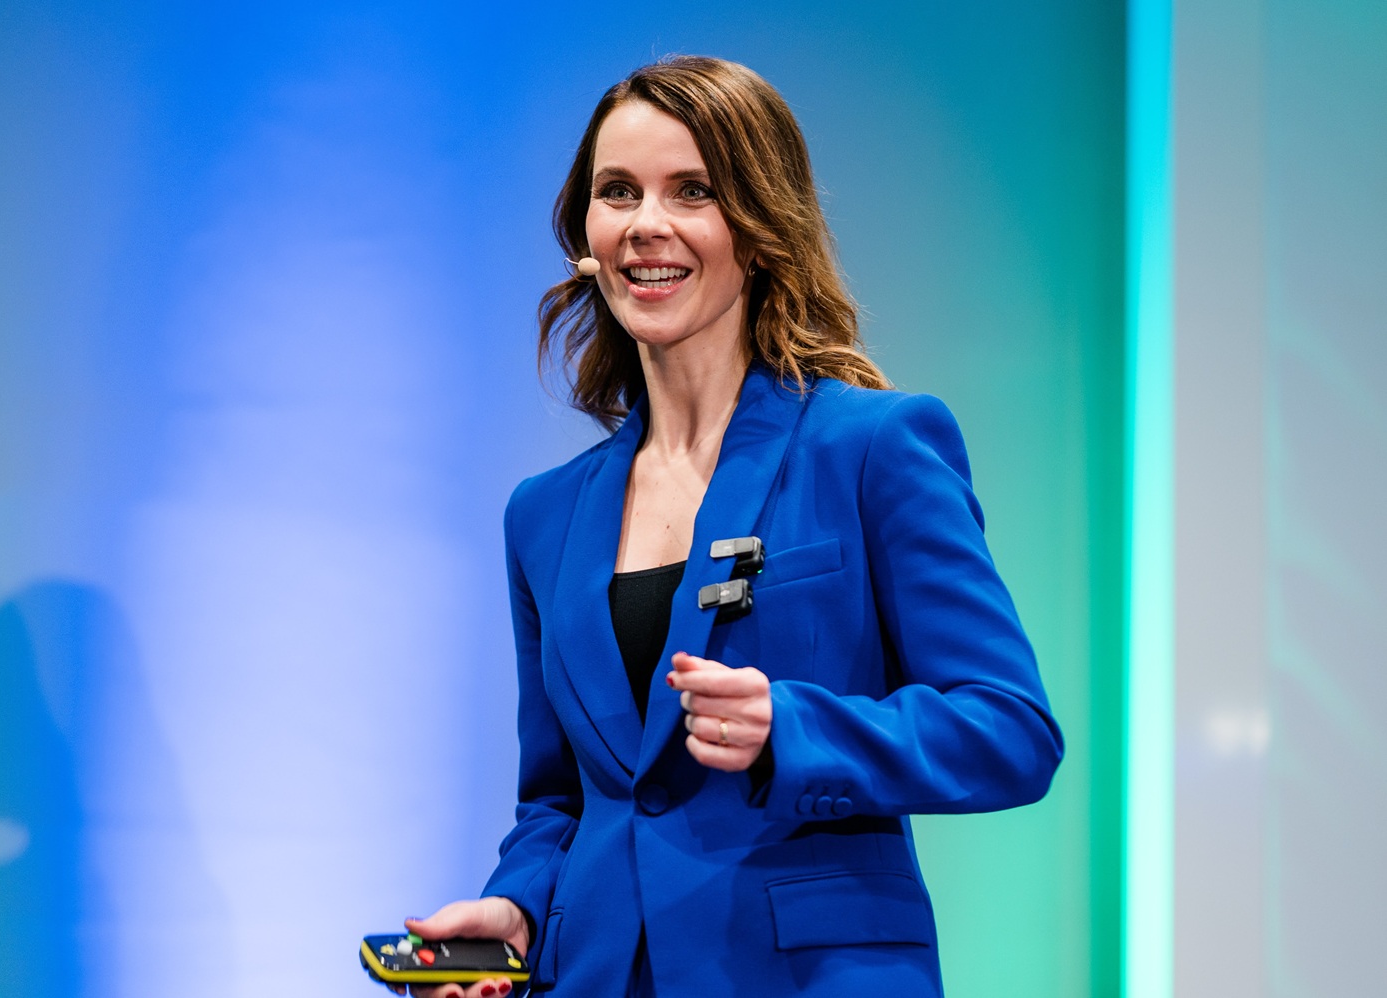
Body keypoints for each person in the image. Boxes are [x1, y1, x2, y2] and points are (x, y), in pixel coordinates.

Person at [394, 55, 1063, 998]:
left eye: (693, 191)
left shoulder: (873, 446)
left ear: (759, 227)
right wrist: (518, 910)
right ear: (586, 236)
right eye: (617, 192)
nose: (646, 224)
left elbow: (1009, 730)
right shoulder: (542, 514)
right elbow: (561, 799)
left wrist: (792, 725)